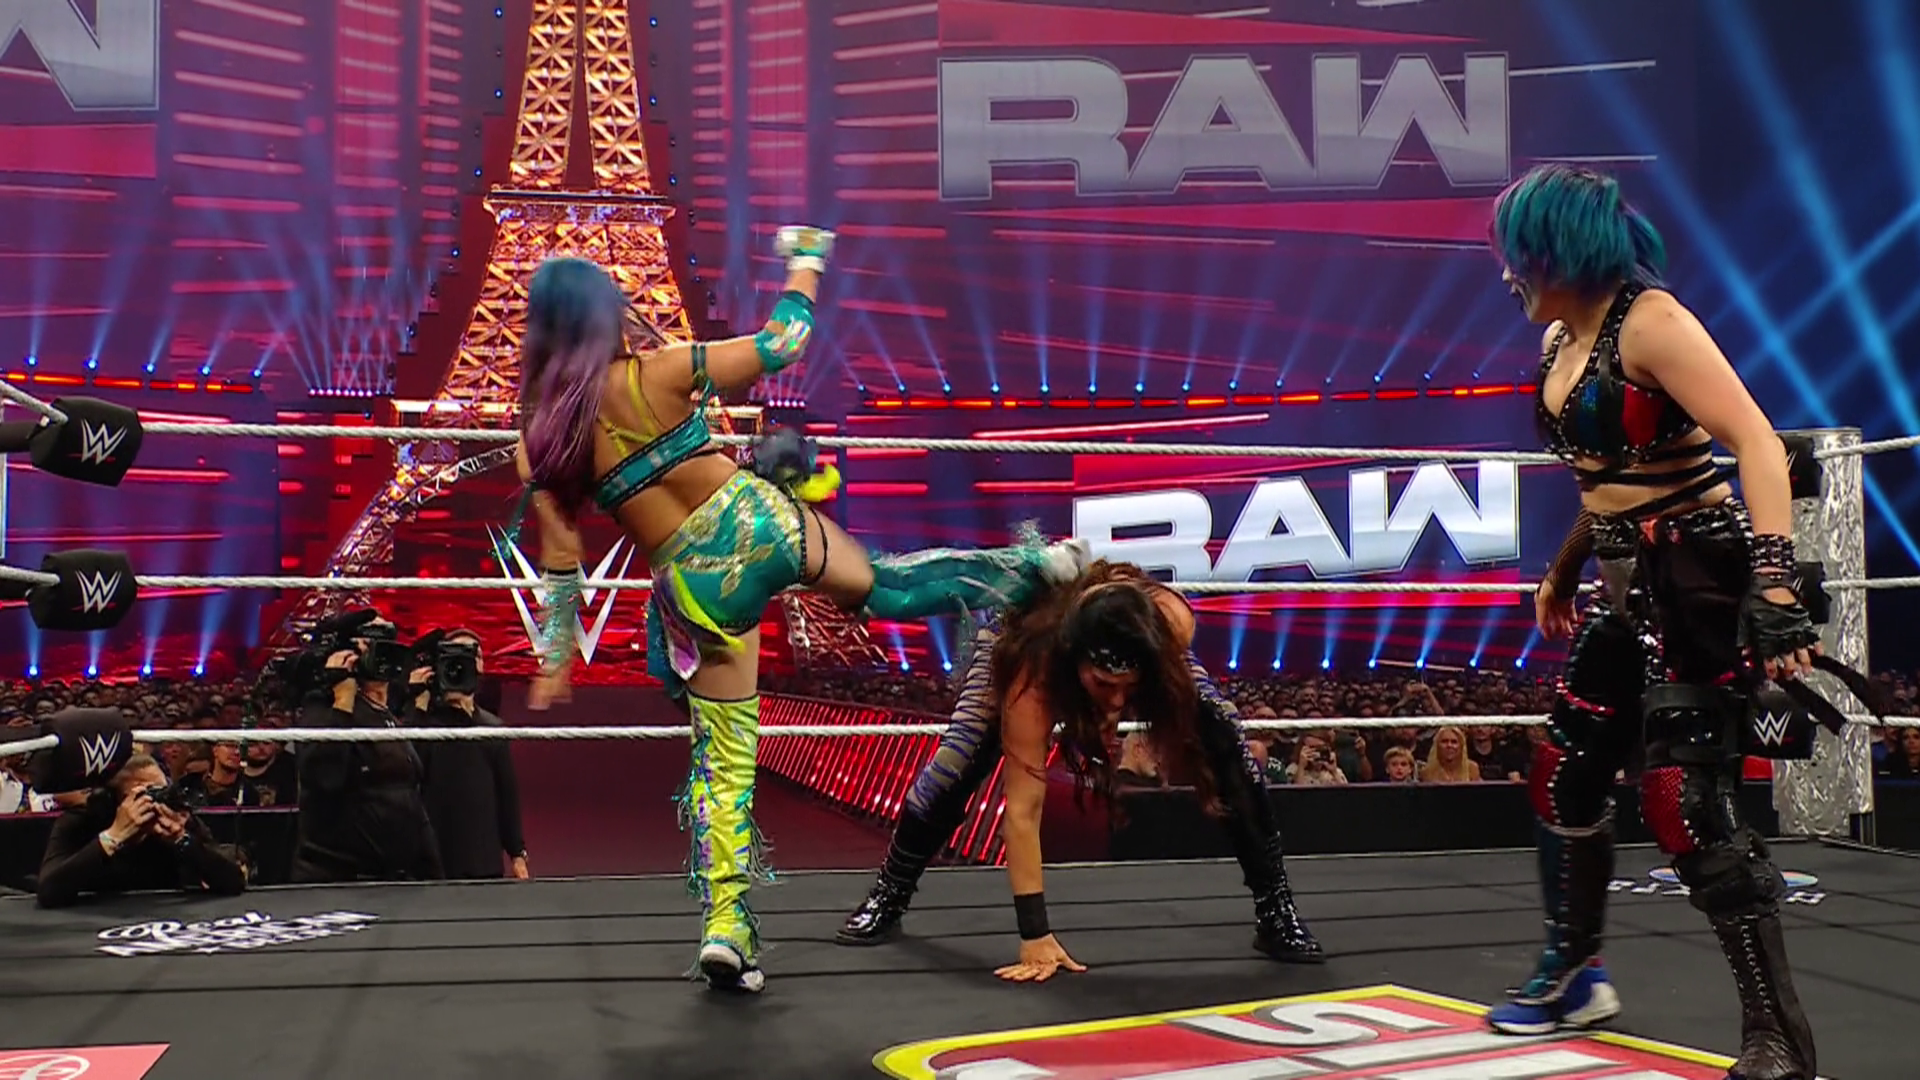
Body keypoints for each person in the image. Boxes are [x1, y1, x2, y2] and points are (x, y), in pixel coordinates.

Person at [510, 229, 1089, 994]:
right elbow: (783, 343)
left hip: (695, 584)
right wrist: (806, 262)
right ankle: (1033, 566)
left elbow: (561, 558)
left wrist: (556, 657)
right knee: (889, 587)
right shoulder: (659, 370)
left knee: (723, 761)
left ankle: (726, 925)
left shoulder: (541, 440)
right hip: (759, 526)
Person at [1484, 163, 1839, 1078]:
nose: (1508, 273)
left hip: (1695, 579)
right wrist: (1565, 568)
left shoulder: (1653, 323)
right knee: (1565, 777)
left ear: (1558, 249)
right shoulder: (1563, 337)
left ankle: (1778, 1039)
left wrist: (1773, 586)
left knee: (1685, 801)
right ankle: (1575, 974)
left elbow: (1756, 442)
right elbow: (1604, 478)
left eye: (1518, 253)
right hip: (1623, 585)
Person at [836, 559, 1323, 977]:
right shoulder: (1034, 671)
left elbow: (1146, 671)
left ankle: (1275, 912)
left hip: (1143, 643)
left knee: (1228, 739)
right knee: (957, 761)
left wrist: (1121, 691)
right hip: (1019, 637)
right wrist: (1035, 935)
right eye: (1104, 684)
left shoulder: (1170, 625)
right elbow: (1022, 809)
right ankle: (890, 893)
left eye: (1127, 687)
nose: (1116, 700)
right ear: (1076, 665)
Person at [36, 754, 247, 908]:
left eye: (162, 791)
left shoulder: (174, 818)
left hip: (163, 926)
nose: (155, 802)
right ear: (118, 800)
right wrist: (113, 838)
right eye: (147, 794)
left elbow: (233, 881)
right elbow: (48, 892)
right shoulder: (83, 820)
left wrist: (182, 840)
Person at [406, 630, 529, 880]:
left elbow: (506, 796)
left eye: (472, 656)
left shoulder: (492, 729)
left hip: (483, 863)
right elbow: (408, 773)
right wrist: (418, 704)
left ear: (480, 666)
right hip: (435, 865)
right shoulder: (423, 725)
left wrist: (517, 853)